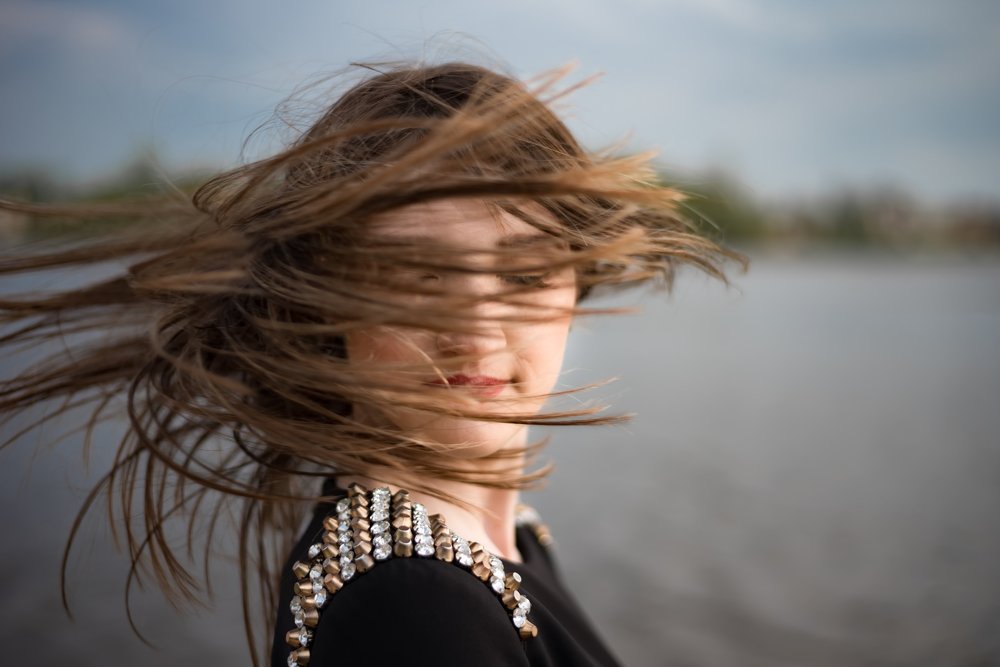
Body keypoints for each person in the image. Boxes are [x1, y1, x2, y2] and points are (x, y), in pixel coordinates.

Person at [0, 61, 740, 666]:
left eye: (525, 274)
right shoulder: (415, 608)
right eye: (413, 275)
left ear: (578, 284)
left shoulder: (505, 540)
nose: (475, 329)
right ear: (326, 303)